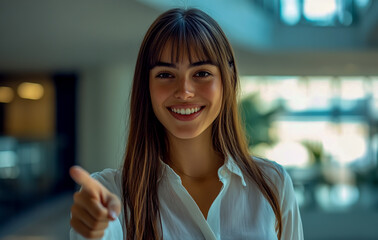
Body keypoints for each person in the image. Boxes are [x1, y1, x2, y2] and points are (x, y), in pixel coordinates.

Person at [69, 7, 304, 240]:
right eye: (165, 75)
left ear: (227, 80)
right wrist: (95, 229)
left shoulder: (273, 184)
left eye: (201, 73)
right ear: (146, 87)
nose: (184, 91)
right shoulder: (112, 192)